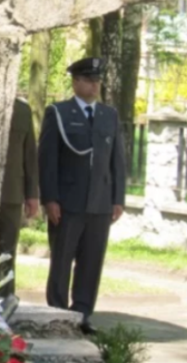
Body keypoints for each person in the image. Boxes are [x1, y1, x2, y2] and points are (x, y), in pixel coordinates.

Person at [39, 57, 126, 335]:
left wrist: (118, 198)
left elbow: (118, 160)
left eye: (97, 80)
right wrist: (50, 198)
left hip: (99, 202)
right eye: (89, 80)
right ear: (75, 82)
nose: (94, 85)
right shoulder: (59, 112)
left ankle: (82, 314)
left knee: (92, 261)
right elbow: (48, 159)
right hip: (68, 201)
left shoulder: (108, 115)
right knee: (62, 259)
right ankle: (57, 312)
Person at [0, 97, 39, 295]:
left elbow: (29, 154)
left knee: (6, 249)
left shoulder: (22, 110)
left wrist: (32, 194)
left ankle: (1, 298)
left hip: (11, 190)